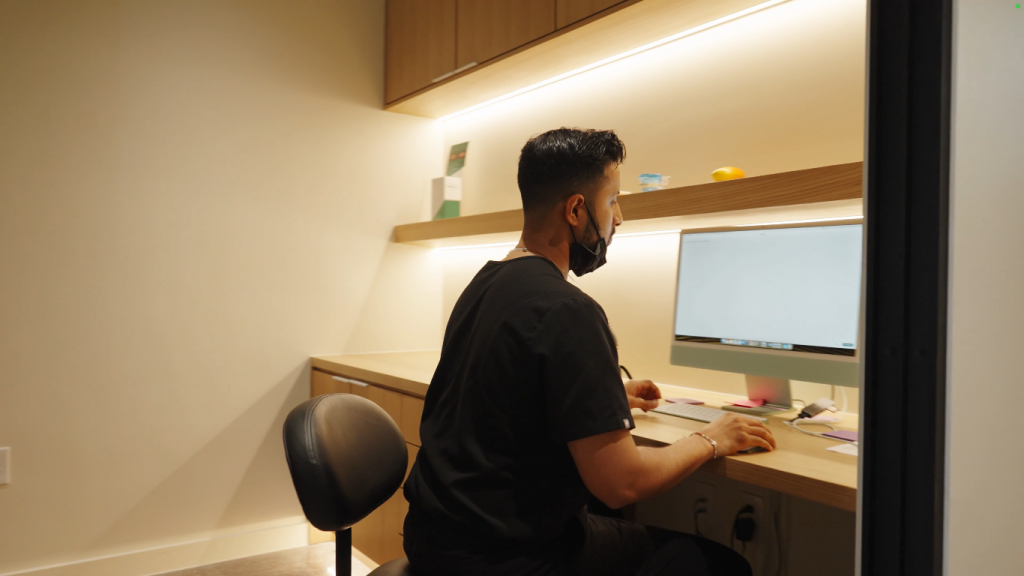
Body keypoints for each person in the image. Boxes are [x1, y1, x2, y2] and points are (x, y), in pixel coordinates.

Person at [403, 128, 777, 576]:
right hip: (508, 559)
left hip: (437, 541)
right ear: (577, 209)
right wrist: (712, 438)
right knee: (721, 564)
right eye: (613, 200)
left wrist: (604, 395)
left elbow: (503, 396)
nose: (619, 218)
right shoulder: (568, 310)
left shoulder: (485, 284)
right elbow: (624, 482)